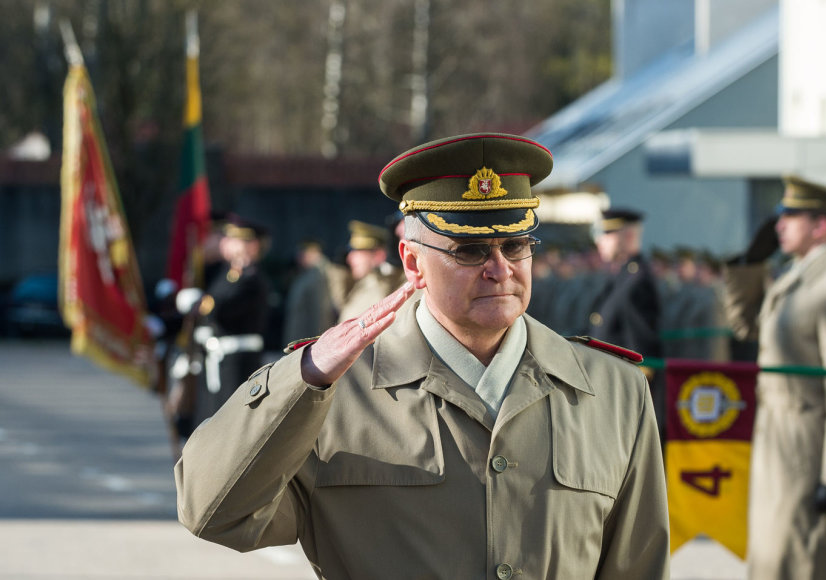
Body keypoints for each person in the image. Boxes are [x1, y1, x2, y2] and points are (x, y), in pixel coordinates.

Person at [174, 132, 670, 579]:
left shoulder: (612, 389)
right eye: (469, 251)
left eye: (516, 245)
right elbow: (213, 511)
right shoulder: (333, 394)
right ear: (413, 261)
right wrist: (302, 379)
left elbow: (637, 567)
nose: (500, 270)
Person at [721, 175, 826, 580]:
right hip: (781, 446)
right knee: (775, 562)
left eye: (790, 216)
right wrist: (749, 265)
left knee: (805, 564)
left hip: (810, 455)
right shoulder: (800, 275)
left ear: (820, 226)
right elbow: (747, 327)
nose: (778, 225)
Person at [192, 215, 272, 427]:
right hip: (218, 359)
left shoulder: (251, 278)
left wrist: (202, 306)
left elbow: (221, 309)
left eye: (237, 240)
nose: (228, 244)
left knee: (231, 422)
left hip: (238, 362)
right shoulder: (228, 274)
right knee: (211, 419)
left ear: (253, 246)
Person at [337, 219, 407, 322]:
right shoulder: (363, 285)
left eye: (358, 252)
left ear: (379, 255)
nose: (349, 258)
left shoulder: (382, 287)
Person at [283, 240, 337, 344]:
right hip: (301, 340)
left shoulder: (318, 276)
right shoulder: (308, 274)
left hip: (308, 342)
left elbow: (320, 313)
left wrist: (317, 343)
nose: (298, 258)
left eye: (303, 254)